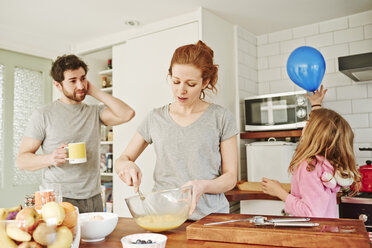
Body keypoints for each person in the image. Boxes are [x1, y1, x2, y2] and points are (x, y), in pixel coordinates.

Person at [114, 40, 238, 220]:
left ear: (205, 82)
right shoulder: (155, 118)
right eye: (176, 81)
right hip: (164, 216)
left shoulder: (221, 117)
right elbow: (122, 160)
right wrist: (126, 165)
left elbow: (230, 177)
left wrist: (203, 186)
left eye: (191, 84)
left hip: (210, 217)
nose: (181, 90)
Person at [16, 54, 135, 213]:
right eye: (73, 81)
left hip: (93, 198)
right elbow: (22, 161)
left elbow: (127, 114)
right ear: (58, 85)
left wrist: (93, 91)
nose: (80, 85)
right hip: (58, 199)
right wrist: (51, 158)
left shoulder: (94, 112)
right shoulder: (43, 115)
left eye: (83, 78)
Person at [261, 90, 361, 218]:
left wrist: (280, 193)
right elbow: (323, 129)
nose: (305, 126)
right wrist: (315, 105)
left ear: (313, 134)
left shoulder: (309, 166)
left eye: (308, 124)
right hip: (326, 231)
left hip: (314, 235)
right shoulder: (327, 162)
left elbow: (311, 213)